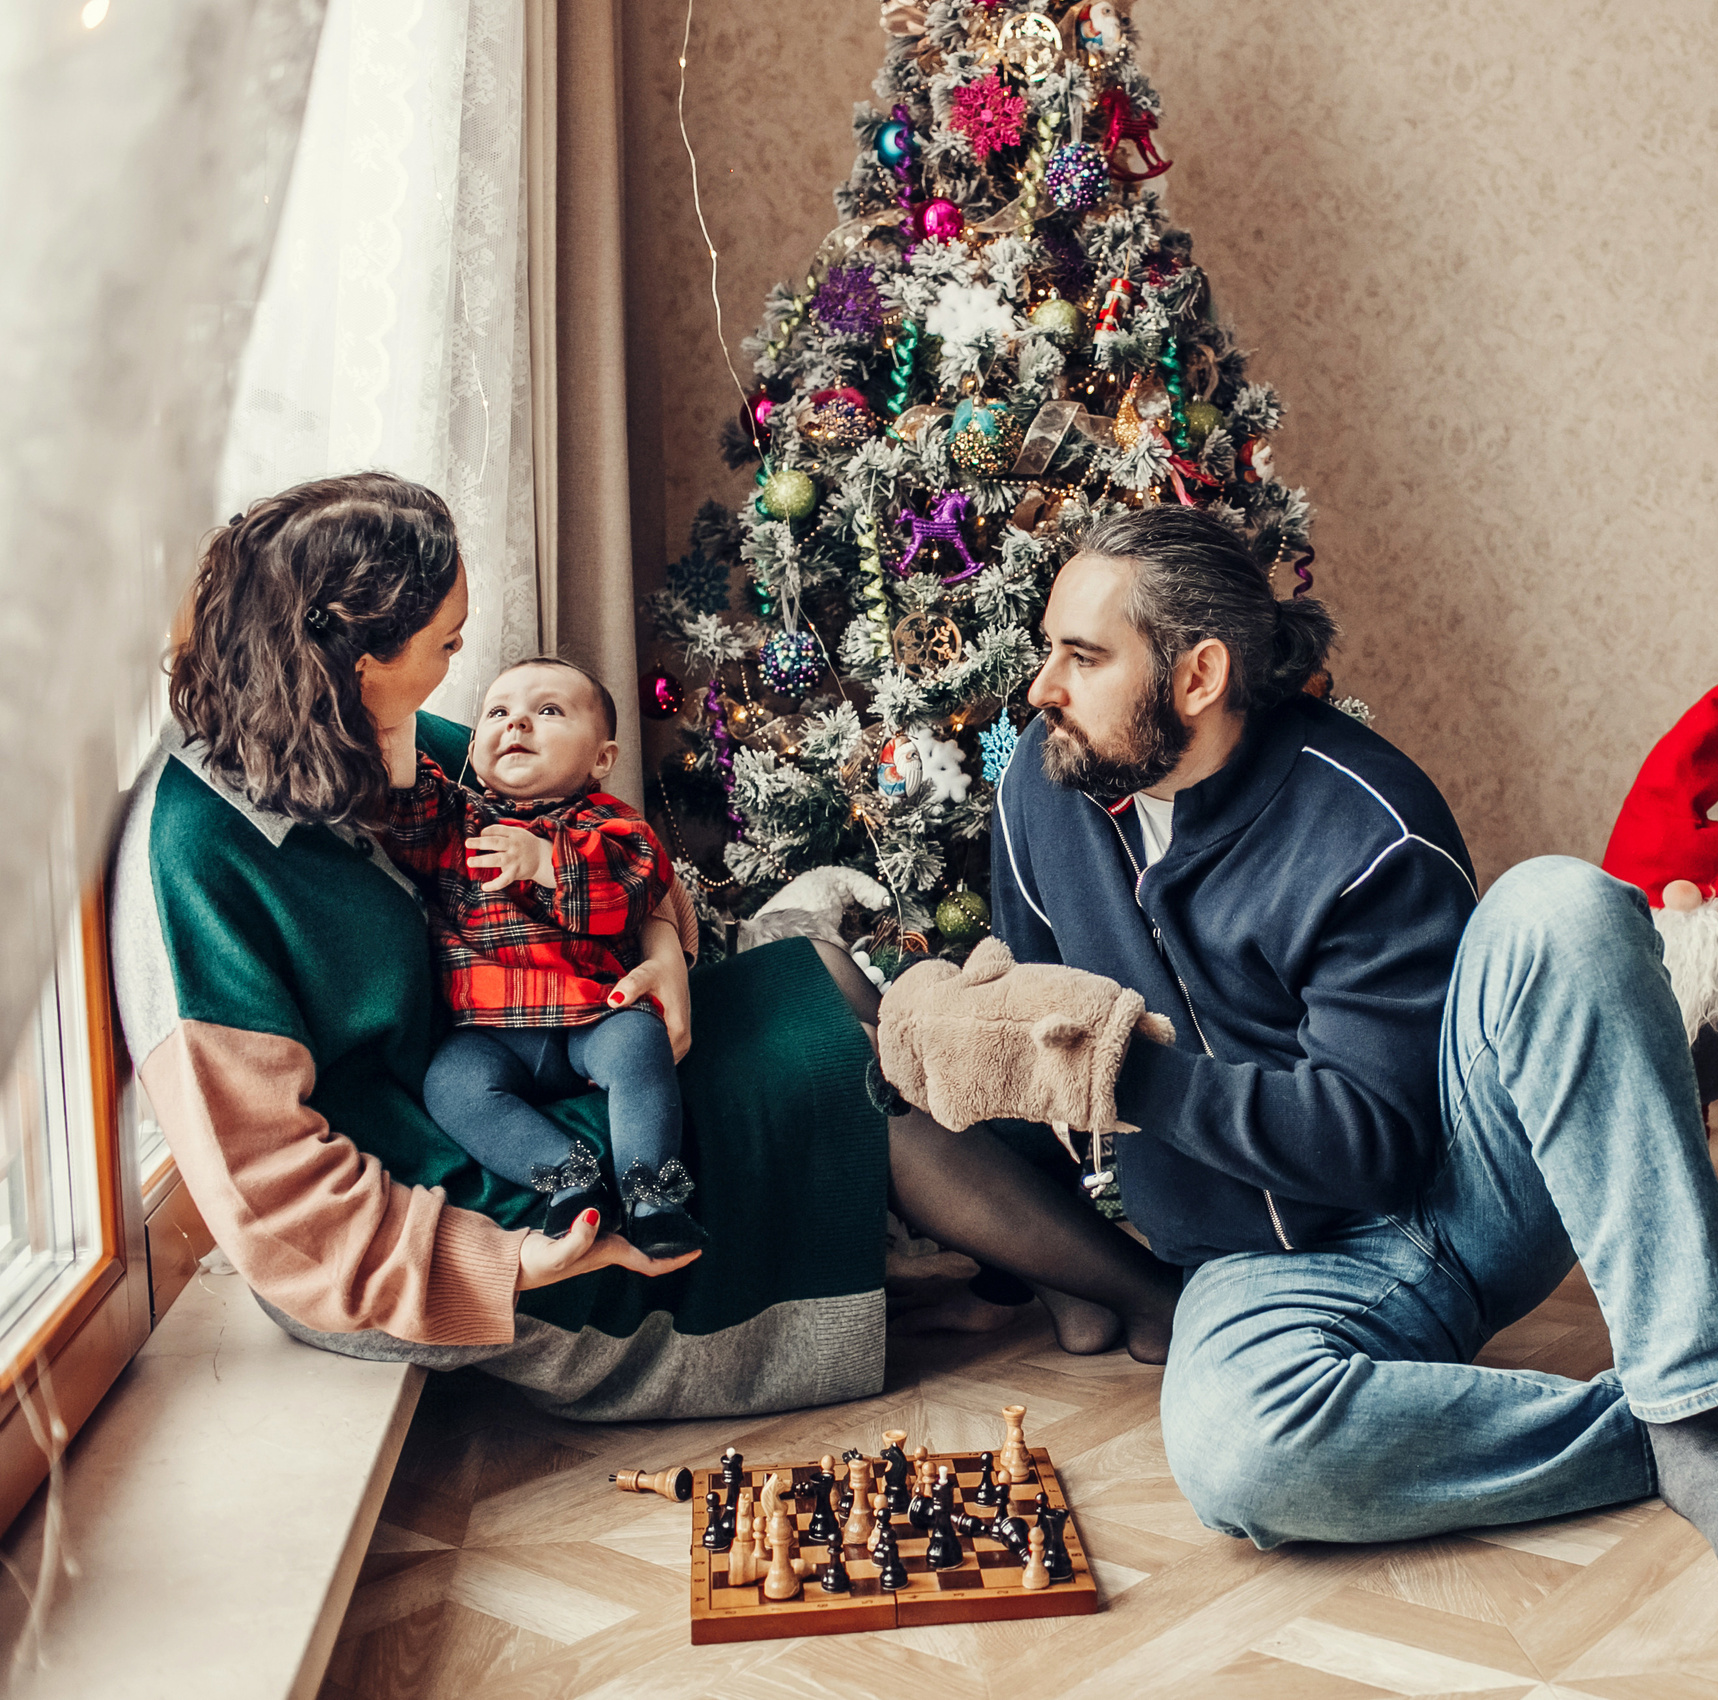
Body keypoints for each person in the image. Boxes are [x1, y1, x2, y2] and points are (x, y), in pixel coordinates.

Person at [878, 504, 1718, 1612]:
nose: (1042, 687)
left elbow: (1371, 1145)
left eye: (1083, 657)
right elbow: (1047, 1018)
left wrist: (1127, 1074)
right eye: (1050, 650)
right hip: (1259, 1265)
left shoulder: (1363, 815)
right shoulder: (1046, 791)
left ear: (1198, 675)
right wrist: (960, 1044)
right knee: (1237, 1455)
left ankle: (1697, 1397)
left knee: (1559, 904)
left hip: (1461, 1200)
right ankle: (1678, 1433)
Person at [116, 471, 1173, 1418]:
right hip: (459, 1183)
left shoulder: (364, 735)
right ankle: (1137, 1291)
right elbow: (274, 1204)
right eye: (444, 646)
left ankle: (1053, 1278)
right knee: (834, 1066)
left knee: (813, 971)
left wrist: (664, 946)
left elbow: (599, 835)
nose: (456, 671)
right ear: (353, 661)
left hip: (538, 1051)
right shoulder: (198, 858)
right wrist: (509, 1263)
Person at [377, 655, 708, 1258]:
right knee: (450, 1087)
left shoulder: (611, 823)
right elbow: (406, 821)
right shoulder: (457, 818)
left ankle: (652, 1194)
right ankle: (568, 1175)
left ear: (602, 759)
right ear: (473, 748)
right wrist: (396, 735)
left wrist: (546, 861)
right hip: (490, 1027)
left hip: (595, 1013)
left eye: (548, 710)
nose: (517, 723)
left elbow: (636, 886)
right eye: (498, 713)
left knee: (640, 1042)